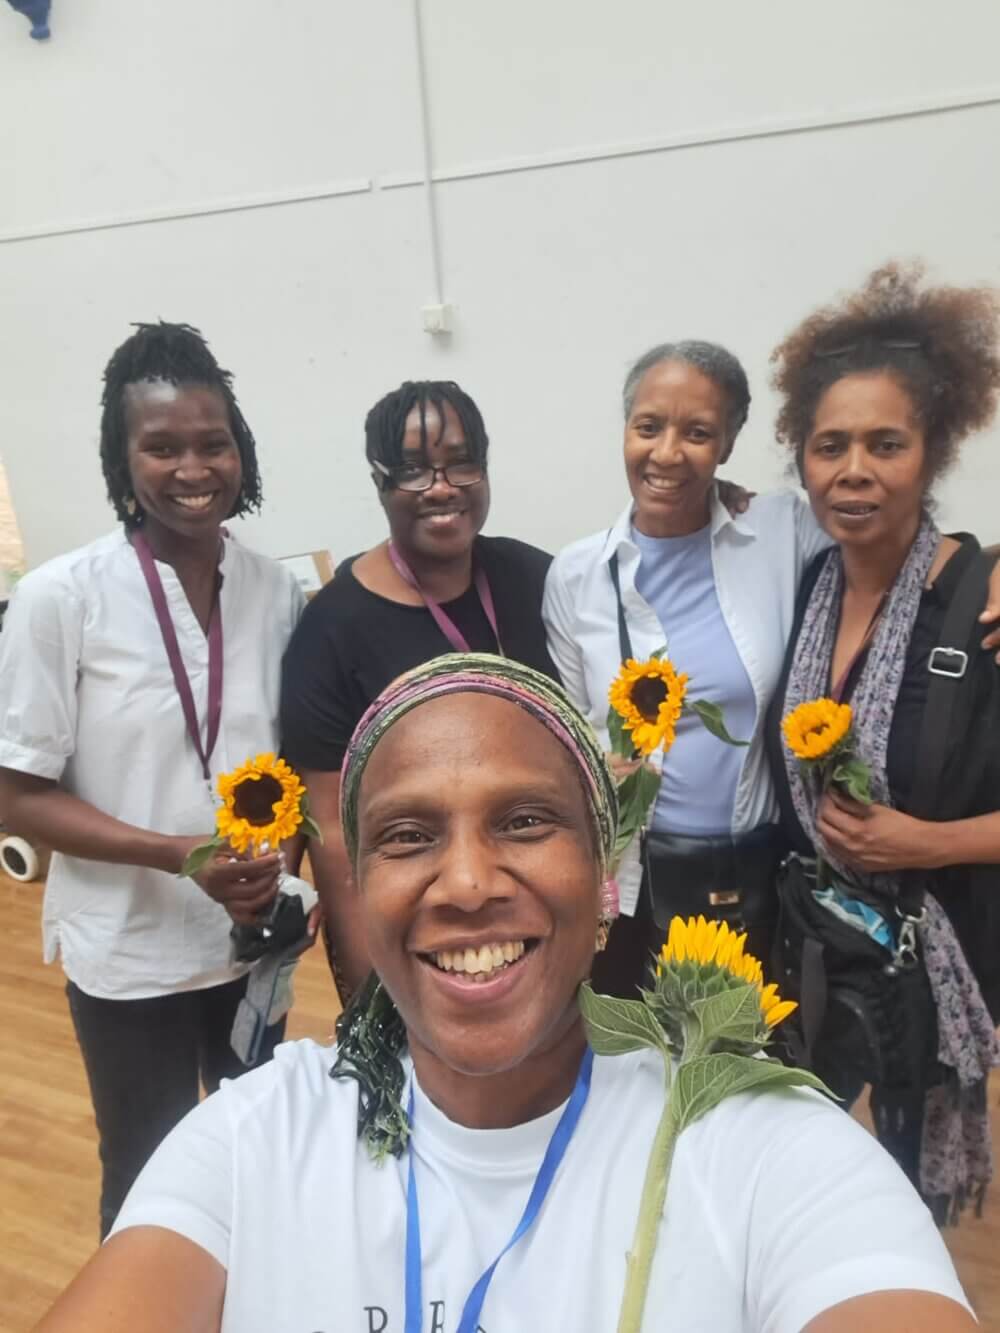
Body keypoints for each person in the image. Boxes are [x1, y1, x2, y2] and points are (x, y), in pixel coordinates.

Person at [36, 655, 975, 1332]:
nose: (468, 882)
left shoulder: (760, 1149)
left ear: (605, 871)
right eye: (407, 835)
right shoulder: (253, 1141)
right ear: (358, 887)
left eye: (525, 821)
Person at [544, 341, 1000, 1000]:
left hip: (749, 878)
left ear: (727, 444)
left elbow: (900, 542)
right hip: (625, 881)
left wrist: (987, 563)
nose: (668, 452)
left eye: (697, 432)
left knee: (734, 1067)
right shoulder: (578, 575)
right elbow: (571, 727)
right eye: (649, 426)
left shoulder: (780, 531)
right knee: (625, 1065)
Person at [0, 322, 304, 1238]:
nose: (192, 467)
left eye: (212, 443)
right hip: (128, 959)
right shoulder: (64, 597)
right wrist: (183, 855)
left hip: (254, 941)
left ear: (240, 449)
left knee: (259, 1161)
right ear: (120, 456)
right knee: (149, 1182)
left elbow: (288, 758)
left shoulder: (274, 588)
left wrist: (285, 864)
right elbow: (16, 792)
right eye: (160, 446)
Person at [765, 262, 1000, 1217]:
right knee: (808, 1162)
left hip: (936, 954)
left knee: (904, 1182)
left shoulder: (978, 605)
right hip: (820, 944)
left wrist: (925, 843)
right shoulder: (806, 581)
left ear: (932, 451)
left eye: (885, 443)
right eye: (830, 446)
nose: (853, 469)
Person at [280, 380, 557, 1000]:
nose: (441, 486)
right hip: (422, 920)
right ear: (380, 483)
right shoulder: (332, 631)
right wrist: (371, 1002)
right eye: (411, 470)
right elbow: (330, 833)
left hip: (532, 907)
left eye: (461, 461)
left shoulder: (535, 579)